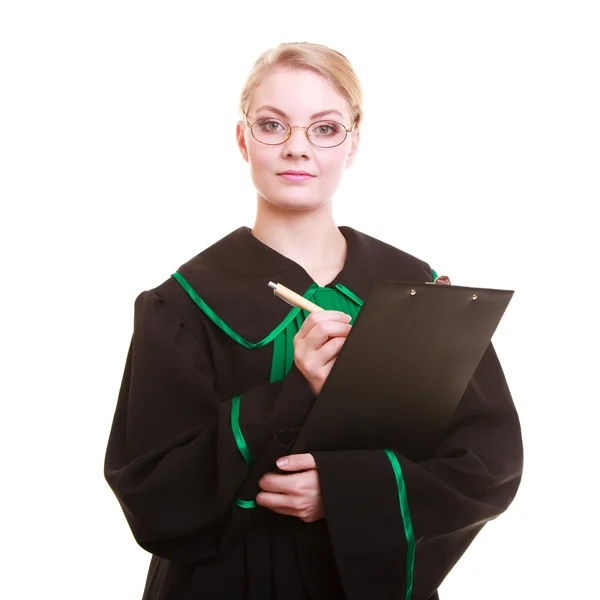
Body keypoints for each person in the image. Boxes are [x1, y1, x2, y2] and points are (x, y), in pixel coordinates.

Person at [104, 41, 523, 600]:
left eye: (324, 128)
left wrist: (345, 493)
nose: (297, 149)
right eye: (273, 125)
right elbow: (152, 495)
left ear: (353, 144)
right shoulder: (181, 304)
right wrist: (294, 392)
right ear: (242, 140)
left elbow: (490, 464)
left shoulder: (419, 291)